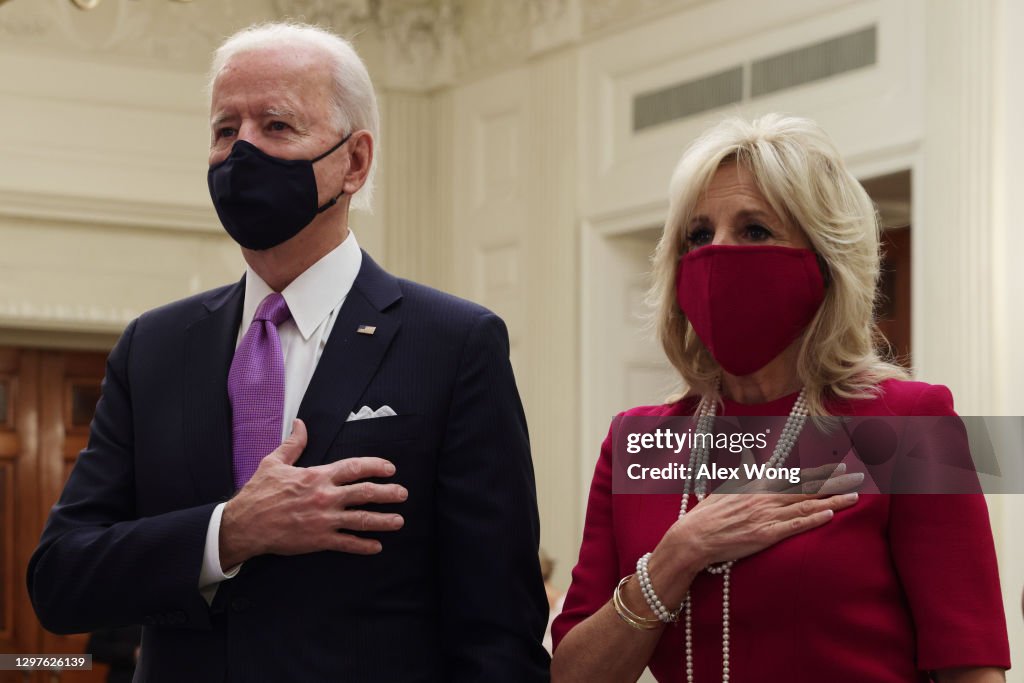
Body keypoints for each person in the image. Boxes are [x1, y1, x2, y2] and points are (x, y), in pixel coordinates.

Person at [27, 21, 549, 682]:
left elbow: (499, 637)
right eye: (225, 130)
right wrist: (229, 531)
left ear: (353, 161)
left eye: (276, 125)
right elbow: (60, 576)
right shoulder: (153, 347)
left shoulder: (453, 345)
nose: (241, 149)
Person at [550, 114, 1010, 682]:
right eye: (697, 235)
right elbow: (572, 674)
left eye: (754, 229)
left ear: (824, 259)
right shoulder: (638, 441)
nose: (717, 253)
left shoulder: (909, 421)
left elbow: (971, 669)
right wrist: (679, 554)